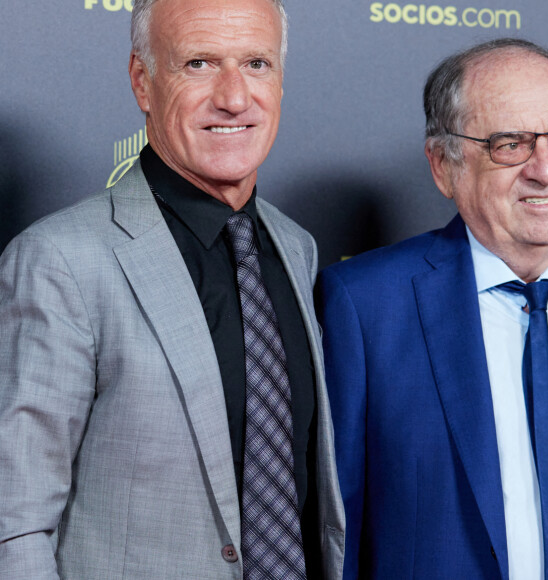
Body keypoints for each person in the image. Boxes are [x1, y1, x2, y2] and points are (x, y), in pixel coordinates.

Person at [0, 0, 345, 577]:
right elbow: (15, 520)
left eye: (257, 63)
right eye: (199, 64)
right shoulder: (60, 260)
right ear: (143, 80)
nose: (234, 97)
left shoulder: (295, 246)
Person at [316, 38, 548, 580]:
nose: (546, 170)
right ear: (443, 165)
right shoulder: (365, 307)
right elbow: (334, 537)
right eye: (511, 144)